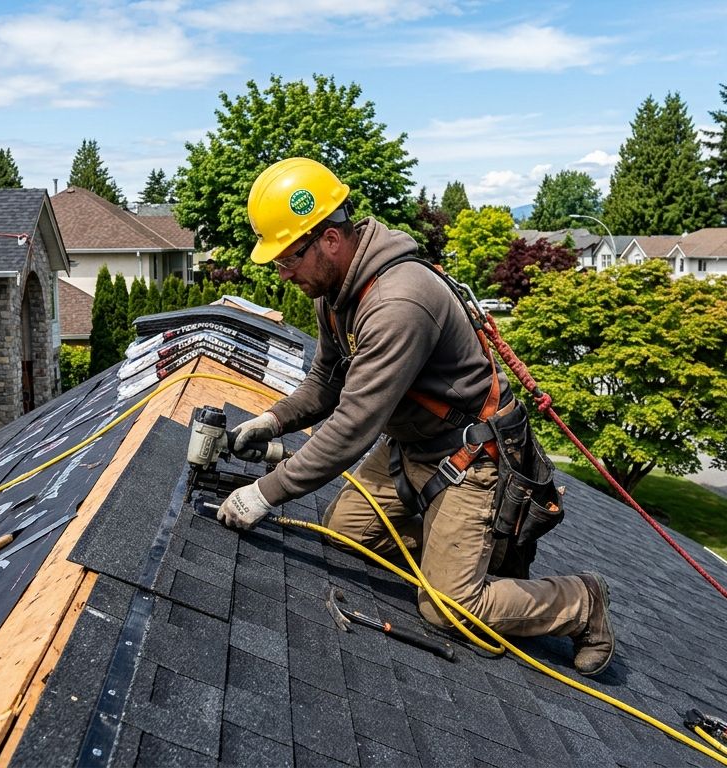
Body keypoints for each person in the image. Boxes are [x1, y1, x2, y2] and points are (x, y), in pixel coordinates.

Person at [216, 158, 615, 675]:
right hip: (409, 450)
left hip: (470, 458)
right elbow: (324, 385)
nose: (283, 272)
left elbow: (353, 425)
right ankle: (450, 553)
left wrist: (263, 493)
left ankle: (582, 602)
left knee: (447, 608)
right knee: (346, 534)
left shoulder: (397, 302)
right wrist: (272, 420)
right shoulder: (337, 294)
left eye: (288, 258)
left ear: (329, 240)